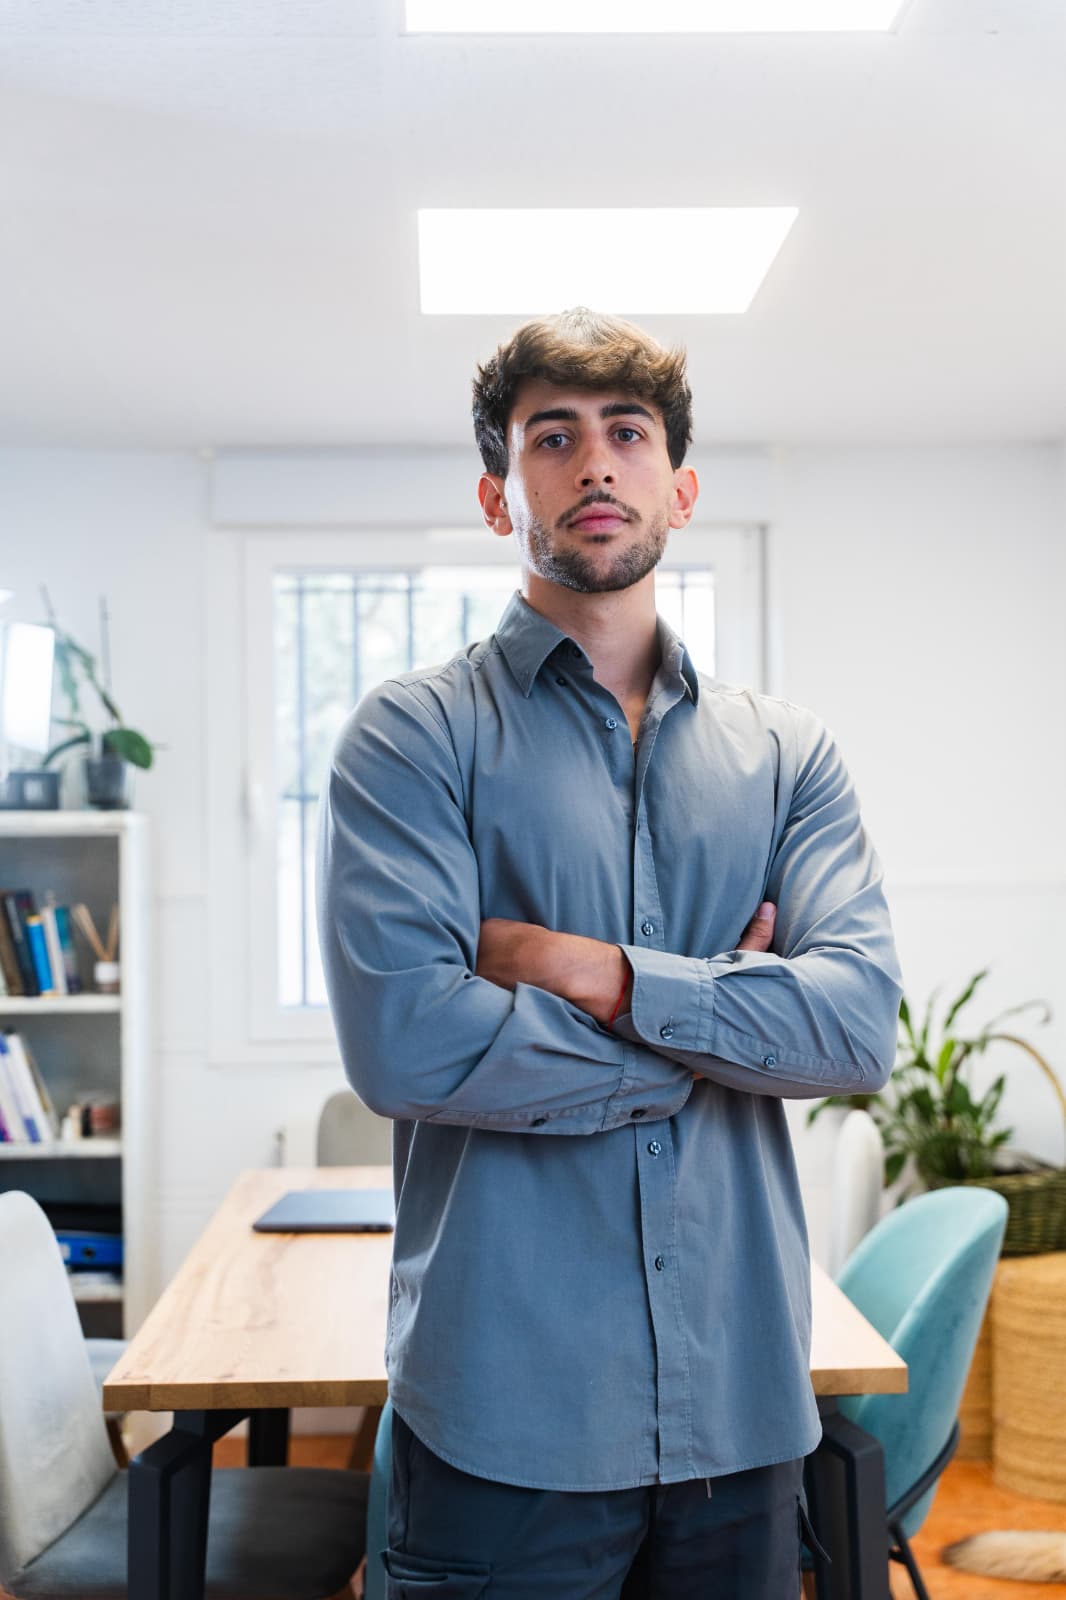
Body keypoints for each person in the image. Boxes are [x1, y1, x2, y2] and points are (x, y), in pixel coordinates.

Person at [316, 307, 902, 1598]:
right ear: (495, 493)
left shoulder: (786, 756)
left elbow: (855, 1025)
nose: (593, 466)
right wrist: (724, 1026)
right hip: (501, 1409)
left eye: (626, 436)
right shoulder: (414, 738)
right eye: (551, 437)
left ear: (678, 489)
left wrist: (598, 976)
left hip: (738, 1405)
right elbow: (410, 1045)